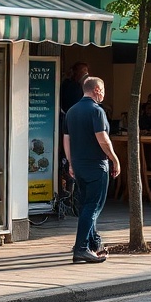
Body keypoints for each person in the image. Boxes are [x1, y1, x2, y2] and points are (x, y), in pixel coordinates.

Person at [63, 76, 120, 264]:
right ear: (96, 90)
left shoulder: (71, 111)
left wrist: (71, 163)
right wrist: (114, 159)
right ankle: (81, 248)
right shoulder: (97, 111)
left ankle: (95, 244)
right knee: (92, 207)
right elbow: (102, 138)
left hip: (79, 165)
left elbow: (67, 140)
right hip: (96, 165)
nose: (103, 94)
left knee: (86, 205)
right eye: (102, 90)